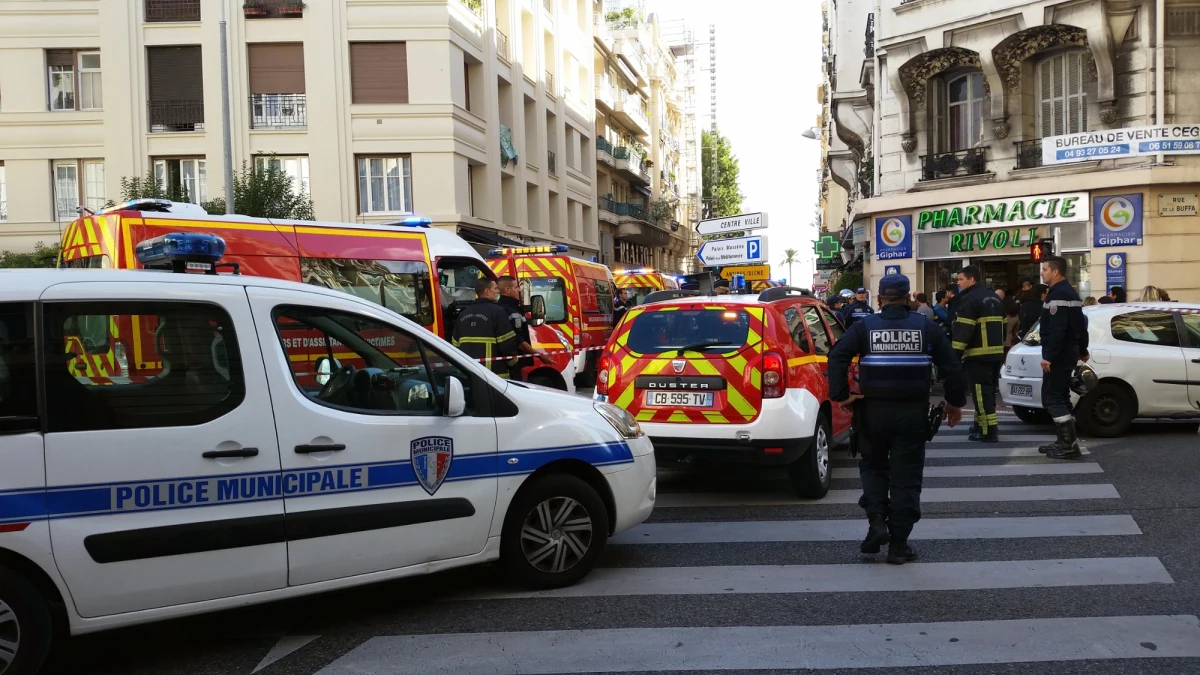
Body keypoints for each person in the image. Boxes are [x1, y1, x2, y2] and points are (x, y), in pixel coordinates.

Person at [827, 274, 965, 565]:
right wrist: (954, 403)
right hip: (912, 413)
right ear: (909, 299)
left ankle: (877, 523)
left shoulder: (865, 327)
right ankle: (899, 545)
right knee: (906, 476)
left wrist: (841, 395)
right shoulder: (926, 327)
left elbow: (837, 355)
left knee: (874, 468)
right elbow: (951, 367)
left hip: (872, 412)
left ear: (879, 300)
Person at [1038, 256, 1090, 460]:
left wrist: (1049, 356)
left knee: (1054, 398)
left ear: (1055, 272)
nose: (1042, 273)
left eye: (1044, 269)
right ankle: (1065, 441)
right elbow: (1080, 324)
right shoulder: (1071, 293)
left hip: (1058, 355)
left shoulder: (1058, 294)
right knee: (1061, 397)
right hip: (1068, 351)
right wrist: (1082, 348)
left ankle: (1068, 446)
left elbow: (1057, 329)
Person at [951, 265, 1007, 443]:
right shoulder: (995, 298)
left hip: (977, 355)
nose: (958, 283)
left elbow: (963, 330)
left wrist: (954, 355)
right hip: (995, 354)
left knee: (980, 393)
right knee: (987, 392)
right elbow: (1003, 326)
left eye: (960, 279)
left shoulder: (968, 299)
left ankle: (987, 431)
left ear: (971, 279)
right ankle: (982, 424)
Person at [451, 277, 520, 378]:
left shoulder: (463, 314)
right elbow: (507, 344)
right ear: (487, 291)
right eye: (495, 288)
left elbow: (455, 344)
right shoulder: (498, 312)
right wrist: (514, 363)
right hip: (495, 376)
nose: (498, 291)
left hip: (469, 374)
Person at [496, 275, 554, 380]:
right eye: (516, 287)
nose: (519, 289)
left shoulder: (509, 308)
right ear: (507, 290)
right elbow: (518, 341)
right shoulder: (509, 311)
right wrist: (539, 356)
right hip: (512, 364)